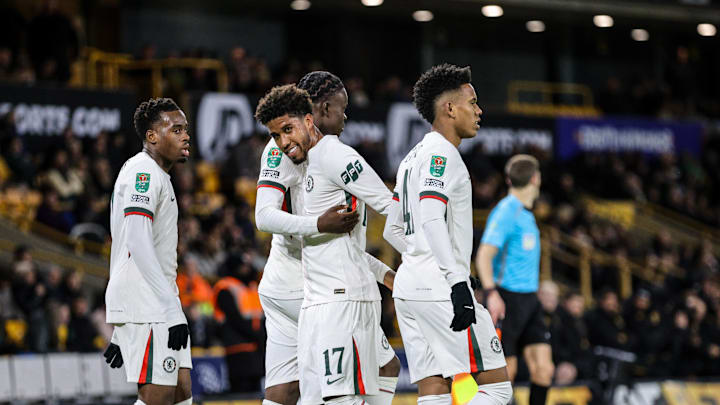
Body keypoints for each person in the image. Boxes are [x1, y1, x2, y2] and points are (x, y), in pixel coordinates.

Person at [255, 83, 398, 405]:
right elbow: (264, 216)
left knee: (286, 391)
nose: (343, 117)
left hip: (285, 285)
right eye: (339, 108)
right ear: (317, 112)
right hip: (313, 286)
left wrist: (384, 274)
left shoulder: (314, 155)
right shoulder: (290, 151)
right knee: (376, 371)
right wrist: (318, 224)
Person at [384, 63, 511, 405]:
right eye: (473, 102)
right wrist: (456, 280)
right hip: (441, 288)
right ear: (450, 108)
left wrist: (421, 255)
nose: (479, 111)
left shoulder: (410, 158)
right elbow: (430, 215)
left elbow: (392, 229)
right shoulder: (443, 155)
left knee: (435, 388)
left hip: (409, 289)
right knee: (498, 388)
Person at [103, 98, 193, 405]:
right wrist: (170, 308)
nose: (185, 136)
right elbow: (136, 241)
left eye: (185, 129)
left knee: (181, 391)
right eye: (176, 130)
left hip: (156, 301)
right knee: (159, 396)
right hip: (149, 303)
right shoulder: (144, 172)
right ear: (152, 136)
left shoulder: (155, 173)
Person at [476, 154, 553, 405]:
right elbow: (484, 255)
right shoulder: (506, 211)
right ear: (536, 178)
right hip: (507, 297)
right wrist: (491, 293)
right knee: (506, 373)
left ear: (509, 179)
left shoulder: (525, 213)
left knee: (544, 369)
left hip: (530, 299)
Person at [213, 254, 265, 393]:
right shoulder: (225, 287)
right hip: (237, 347)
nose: (246, 269)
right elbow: (234, 318)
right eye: (243, 266)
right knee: (241, 391)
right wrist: (256, 335)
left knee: (255, 392)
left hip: (256, 347)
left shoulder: (251, 287)